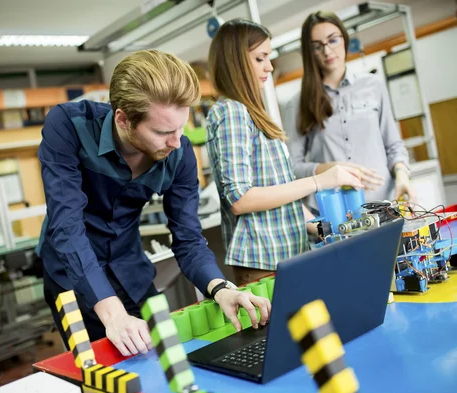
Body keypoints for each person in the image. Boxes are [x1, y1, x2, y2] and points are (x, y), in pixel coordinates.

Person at [37, 49, 271, 357]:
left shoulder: (180, 152)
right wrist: (113, 314)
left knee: (166, 361)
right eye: (163, 131)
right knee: (106, 380)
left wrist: (220, 287)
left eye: (181, 127)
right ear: (123, 119)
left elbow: (188, 240)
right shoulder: (69, 126)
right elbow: (67, 227)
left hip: (130, 270)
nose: (176, 142)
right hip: (71, 277)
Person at [205, 19, 363, 286]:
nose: (269, 66)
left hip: (288, 254)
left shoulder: (254, 114)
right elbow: (240, 198)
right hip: (263, 263)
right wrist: (318, 181)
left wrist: (330, 229)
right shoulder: (232, 113)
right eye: (260, 58)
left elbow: (280, 193)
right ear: (236, 61)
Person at [283, 10, 415, 210]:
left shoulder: (373, 86)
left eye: (332, 40)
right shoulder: (298, 103)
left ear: (344, 39)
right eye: (317, 47)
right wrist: (327, 169)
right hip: (336, 212)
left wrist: (402, 175)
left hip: (385, 202)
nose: (327, 52)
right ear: (310, 52)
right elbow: (292, 167)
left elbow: (393, 146)